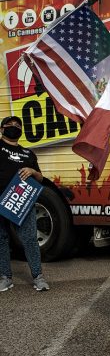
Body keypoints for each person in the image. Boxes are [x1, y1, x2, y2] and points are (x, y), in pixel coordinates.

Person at [0, 115, 49, 292]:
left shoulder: (28, 154)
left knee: (29, 239)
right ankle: (6, 278)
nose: (14, 127)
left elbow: (41, 178)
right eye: (10, 124)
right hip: (0, 202)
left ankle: (38, 277)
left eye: (17, 125)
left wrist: (32, 171)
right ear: (2, 129)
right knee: (1, 240)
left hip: (21, 202)